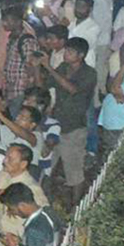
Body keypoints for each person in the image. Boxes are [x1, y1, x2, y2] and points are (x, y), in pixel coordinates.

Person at [39, 35, 96, 197]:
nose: (66, 54)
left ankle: (76, 207)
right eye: (66, 50)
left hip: (74, 127)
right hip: (55, 124)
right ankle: (45, 199)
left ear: (81, 55)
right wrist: (37, 67)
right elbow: (44, 85)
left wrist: (48, 67)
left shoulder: (89, 73)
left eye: (70, 52)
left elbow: (72, 89)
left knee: (74, 171)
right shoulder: (64, 67)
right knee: (47, 164)